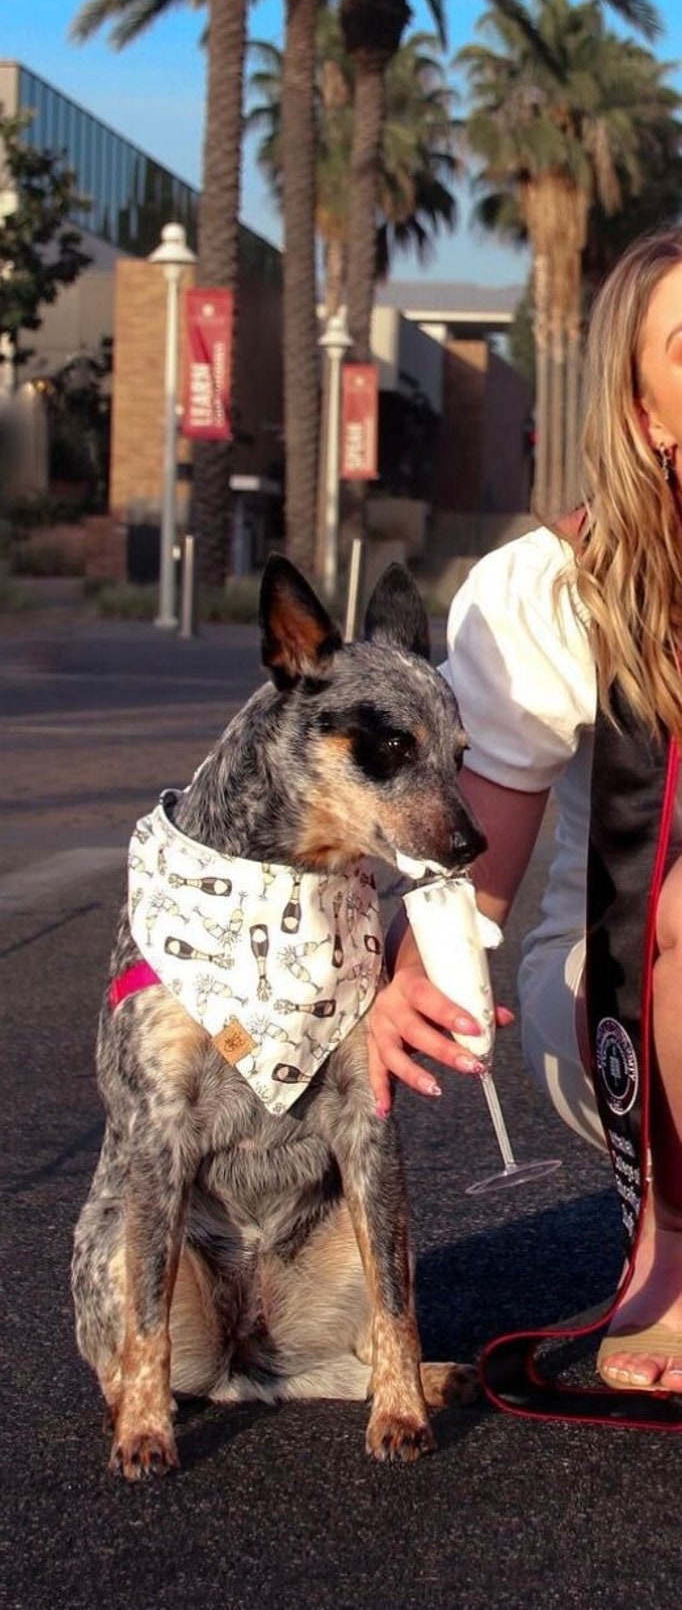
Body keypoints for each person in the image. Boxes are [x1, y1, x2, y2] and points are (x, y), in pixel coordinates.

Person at [368, 225, 682, 1399]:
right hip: (634, 990)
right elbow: (472, 873)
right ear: (644, 410)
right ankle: (671, 1245)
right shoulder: (553, 589)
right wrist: (409, 969)